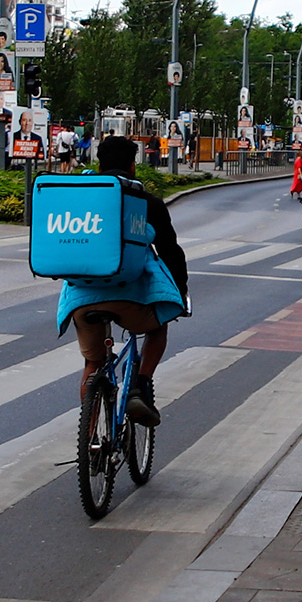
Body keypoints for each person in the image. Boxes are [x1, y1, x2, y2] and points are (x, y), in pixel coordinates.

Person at [58, 134, 189, 428]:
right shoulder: (146, 202)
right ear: (133, 166)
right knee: (158, 327)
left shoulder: (81, 196)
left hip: (82, 297)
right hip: (131, 297)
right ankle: (140, 386)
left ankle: (89, 438)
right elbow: (170, 252)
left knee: (93, 364)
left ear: (99, 163)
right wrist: (180, 295)